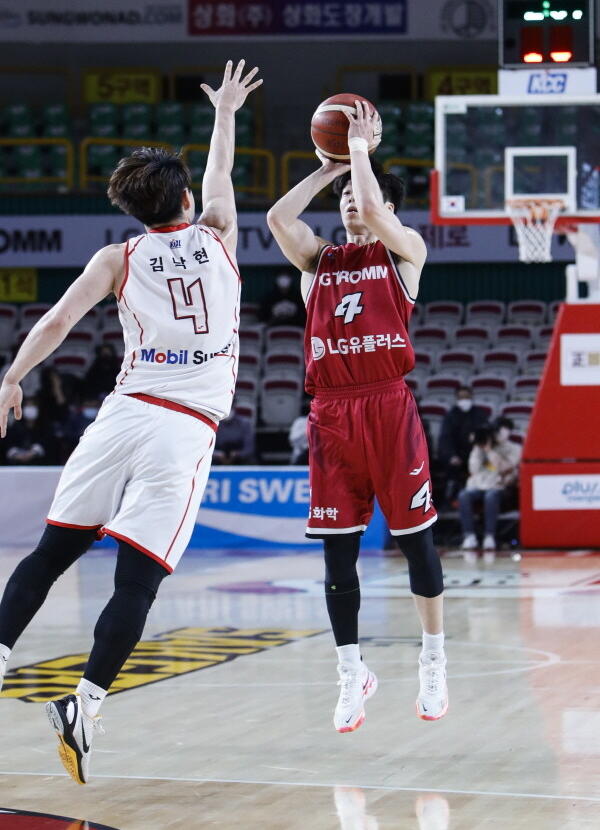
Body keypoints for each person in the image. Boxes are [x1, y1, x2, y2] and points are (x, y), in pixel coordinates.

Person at [0, 59, 262, 785]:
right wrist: (226, 113)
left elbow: (57, 321)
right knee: (136, 584)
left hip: (122, 415)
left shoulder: (117, 257)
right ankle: (84, 705)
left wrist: (12, 377)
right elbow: (220, 172)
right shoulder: (218, 233)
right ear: (185, 197)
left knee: (51, 554)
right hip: (183, 429)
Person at [267, 100, 447, 733]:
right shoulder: (318, 264)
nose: (350, 202)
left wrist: (361, 153)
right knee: (338, 556)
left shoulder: (406, 253)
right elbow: (277, 218)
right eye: (341, 198)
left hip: (389, 406)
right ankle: (351, 673)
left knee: (417, 542)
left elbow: (372, 209)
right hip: (332, 415)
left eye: (359, 196)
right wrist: (328, 168)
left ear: (391, 210)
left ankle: (433, 660)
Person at [458, 417, 522, 551]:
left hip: (499, 486)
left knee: (490, 496)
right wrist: (478, 448)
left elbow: (504, 468)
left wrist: (490, 451)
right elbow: (473, 469)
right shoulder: (478, 448)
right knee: (464, 496)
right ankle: (469, 536)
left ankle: (490, 536)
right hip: (478, 485)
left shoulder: (514, 448)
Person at [437, 385, 489, 504]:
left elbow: (486, 434)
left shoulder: (480, 414)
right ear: (456, 398)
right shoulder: (450, 415)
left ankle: (481, 498)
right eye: (461, 397)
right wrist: (452, 456)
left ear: (471, 397)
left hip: (477, 453)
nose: (464, 400)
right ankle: (451, 499)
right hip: (457, 455)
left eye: (466, 397)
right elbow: (445, 439)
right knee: (449, 464)